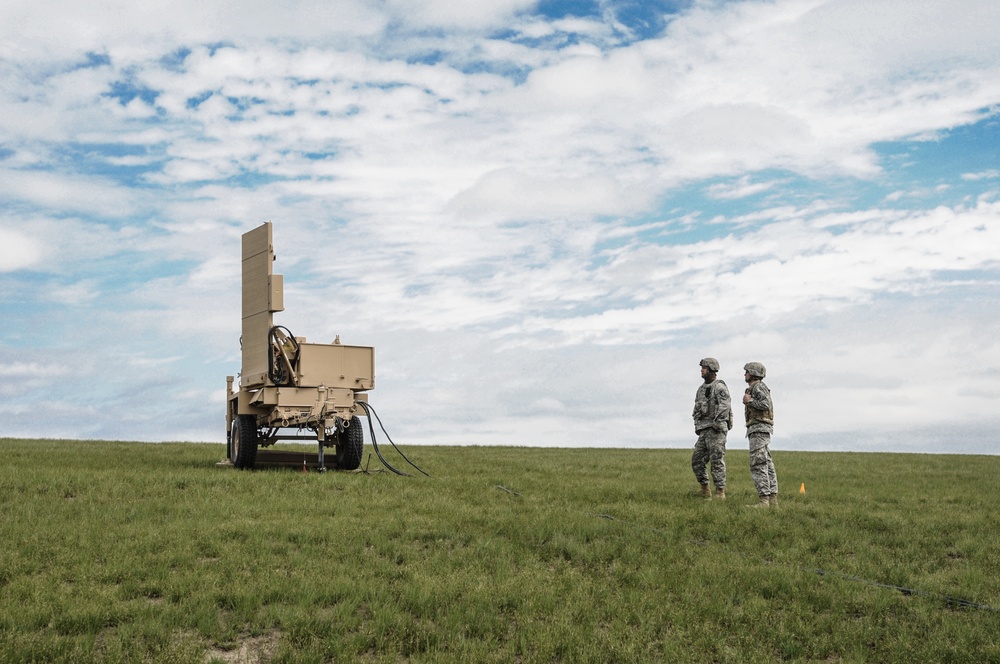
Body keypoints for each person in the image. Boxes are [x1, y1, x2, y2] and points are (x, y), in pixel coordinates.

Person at [691, 357, 732, 499]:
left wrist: (716, 423)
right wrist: (698, 425)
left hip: (716, 430)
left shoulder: (719, 387)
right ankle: (705, 489)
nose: (701, 370)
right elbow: (696, 409)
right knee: (696, 460)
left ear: (711, 370)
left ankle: (720, 492)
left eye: (704, 368)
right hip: (704, 430)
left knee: (716, 461)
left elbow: (724, 407)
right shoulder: (701, 389)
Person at [743, 362, 777, 508]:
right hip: (759, 428)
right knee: (767, 463)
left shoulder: (758, 387)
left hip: (759, 428)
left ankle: (764, 501)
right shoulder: (756, 387)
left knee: (758, 463)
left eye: (746, 372)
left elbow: (765, 404)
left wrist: (749, 401)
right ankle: (772, 501)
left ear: (752, 372)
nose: (744, 374)